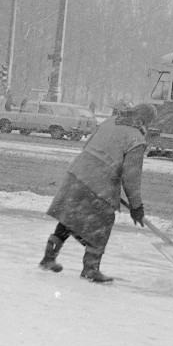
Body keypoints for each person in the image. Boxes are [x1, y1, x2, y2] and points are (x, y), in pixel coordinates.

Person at [39, 102, 158, 283]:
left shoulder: (110, 122)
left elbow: (89, 145)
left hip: (78, 173)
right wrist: (136, 206)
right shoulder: (136, 139)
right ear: (145, 120)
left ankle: (48, 258)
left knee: (68, 219)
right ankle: (91, 269)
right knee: (101, 226)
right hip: (100, 184)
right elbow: (131, 177)